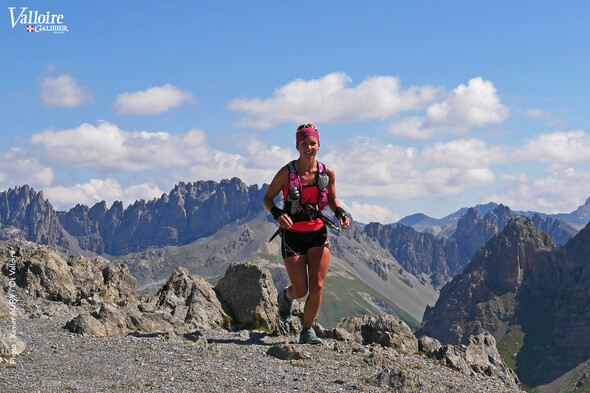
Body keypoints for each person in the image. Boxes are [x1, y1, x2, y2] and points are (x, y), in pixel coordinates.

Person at [262, 123, 350, 344]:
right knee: (300, 290)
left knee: (318, 285)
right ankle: (286, 297)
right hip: (292, 235)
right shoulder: (286, 172)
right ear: (297, 146)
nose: (308, 147)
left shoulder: (326, 172)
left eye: (312, 143)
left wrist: (339, 211)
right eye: (304, 144)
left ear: (319, 145)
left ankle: (307, 331)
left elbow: (331, 198)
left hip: (318, 232)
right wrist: (277, 214)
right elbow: (267, 198)